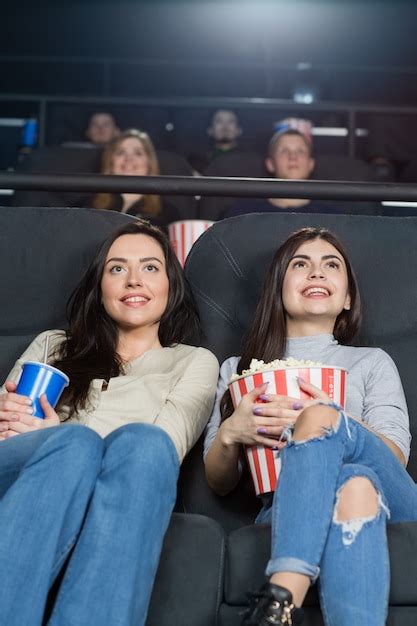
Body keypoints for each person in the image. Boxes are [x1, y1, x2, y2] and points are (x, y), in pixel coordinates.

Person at [0, 220, 219, 626]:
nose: (133, 280)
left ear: (171, 286)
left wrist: (56, 436)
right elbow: (7, 422)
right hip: (20, 471)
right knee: (73, 446)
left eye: (151, 268)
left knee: (142, 444)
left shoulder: (193, 361)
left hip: (124, 477)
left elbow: (163, 452)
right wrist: (45, 438)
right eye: (117, 269)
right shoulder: (53, 344)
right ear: (100, 289)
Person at [204, 227, 415, 625]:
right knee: (353, 482)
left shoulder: (372, 362)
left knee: (323, 423)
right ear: (278, 288)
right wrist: (233, 431)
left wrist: (330, 418)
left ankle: (279, 599)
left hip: (396, 499)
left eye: (331, 265)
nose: (317, 273)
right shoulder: (239, 370)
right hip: (286, 506)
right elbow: (219, 482)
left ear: (348, 297)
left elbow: (395, 458)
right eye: (301, 264)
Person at [223, 129, 344, 219]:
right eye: (284, 151)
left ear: (310, 164)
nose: (293, 157)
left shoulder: (331, 216)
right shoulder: (244, 213)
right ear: (270, 163)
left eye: (300, 151)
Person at [91, 129, 179, 231]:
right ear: (110, 164)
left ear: (149, 164)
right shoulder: (88, 207)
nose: (129, 158)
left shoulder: (167, 214)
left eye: (138, 153)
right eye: (120, 152)